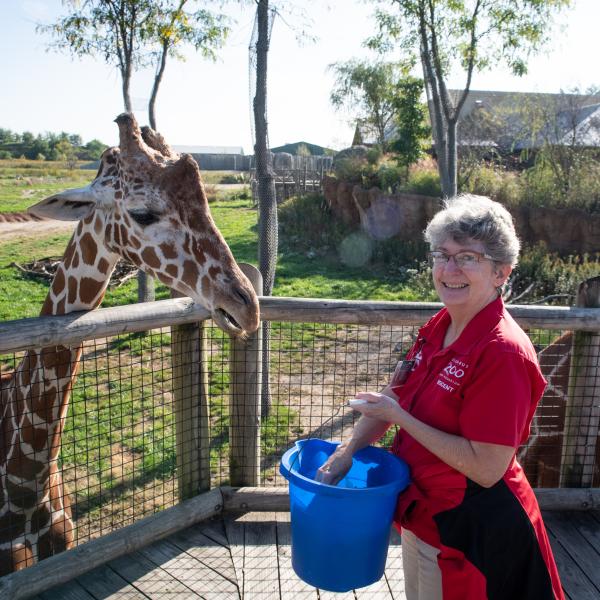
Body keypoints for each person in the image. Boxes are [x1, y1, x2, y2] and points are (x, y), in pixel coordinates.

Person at [316, 195, 564, 600]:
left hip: (474, 532)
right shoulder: (441, 323)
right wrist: (348, 450)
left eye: (468, 257)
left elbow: (487, 468)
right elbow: (396, 394)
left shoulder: (502, 352)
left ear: (501, 272)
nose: (449, 269)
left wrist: (402, 418)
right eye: (441, 255)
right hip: (427, 513)